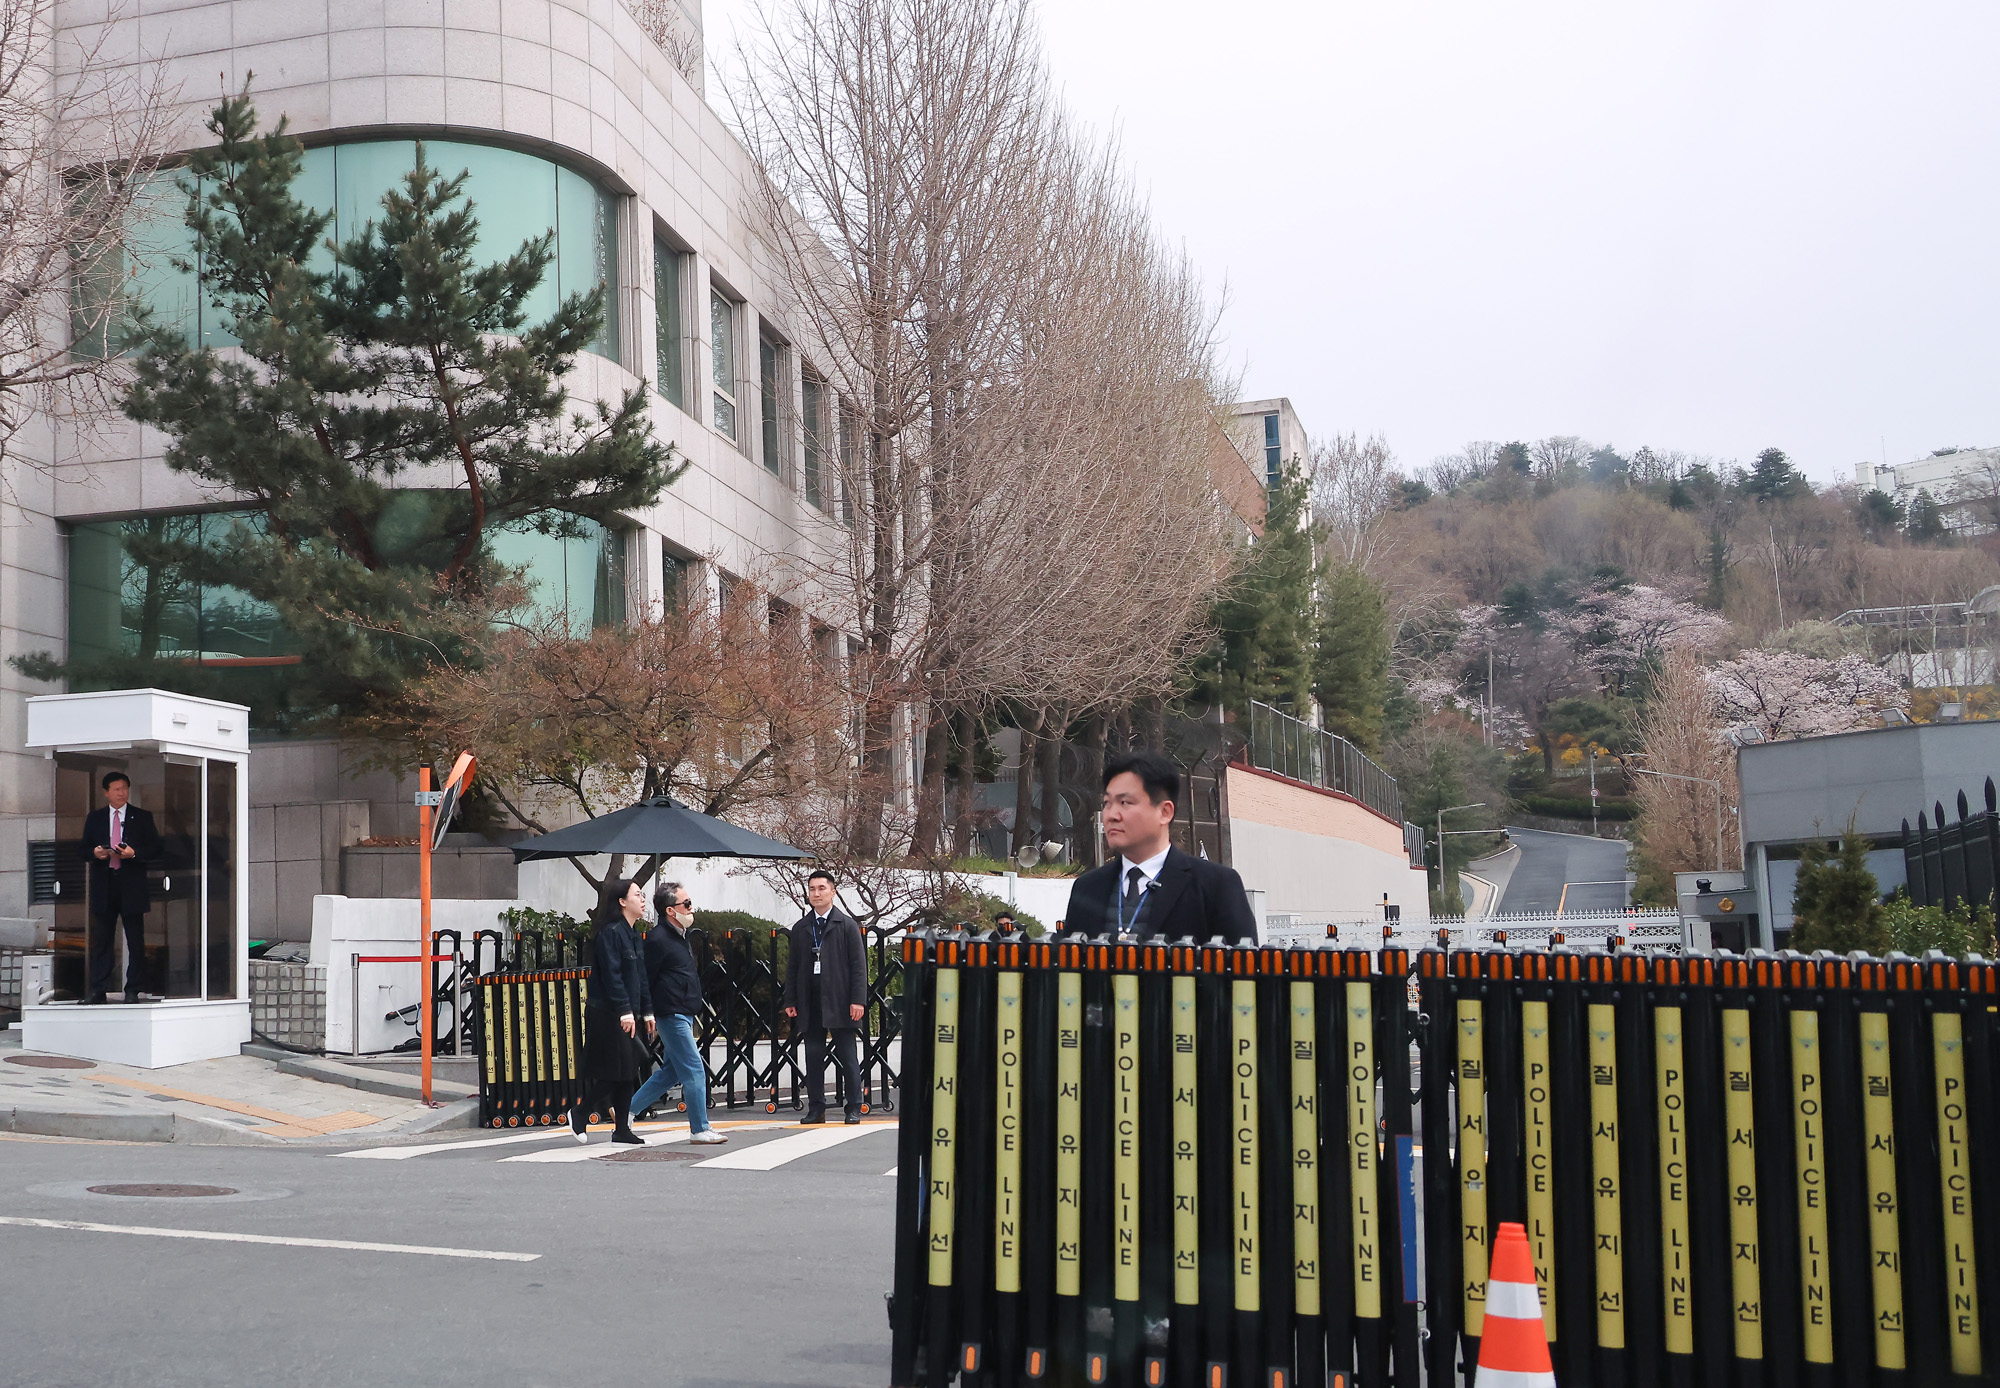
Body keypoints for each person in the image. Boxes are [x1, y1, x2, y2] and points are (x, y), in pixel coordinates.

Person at [1061, 750, 1258, 944]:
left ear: (1165, 812)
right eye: (1107, 803)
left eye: (1125, 802)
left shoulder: (1215, 885)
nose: (1112, 815)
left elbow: (1244, 968)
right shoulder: (1087, 888)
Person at [628, 882, 726, 1145]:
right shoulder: (660, 939)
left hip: (683, 1010)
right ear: (671, 910)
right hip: (670, 1013)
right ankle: (699, 1128)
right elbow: (645, 978)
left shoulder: (681, 935)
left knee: (671, 1071)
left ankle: (627, 1111)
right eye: (687, 904)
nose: (691, 908)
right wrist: (647, 1012)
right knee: (694, 1068)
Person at [572, 877, 654, 1145]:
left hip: (628, 1013)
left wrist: (647, 1012)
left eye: (642, 896)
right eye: (637, 895)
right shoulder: (610, 933)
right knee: (615, 1071)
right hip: (608, 1013)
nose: (642, 900)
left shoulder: (633, 934)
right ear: (622, 902)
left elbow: (641, 977)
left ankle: (621, 1129)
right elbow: (612, 975)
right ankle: (581, 1111)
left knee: (628, 1070)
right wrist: (625, 1011)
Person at [783, 868, 867, 1125]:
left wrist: (858, 1000)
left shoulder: (847, 925)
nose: (816, 893)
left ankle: (854, 1106)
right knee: (813, 1055)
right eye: (812, 889)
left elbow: (858, 966)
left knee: (848, 1055)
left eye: (822, 888)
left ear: (833, 891)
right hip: (811, 999)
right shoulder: (801, 927)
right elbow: (793, 966)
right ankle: (816, 1107)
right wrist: (791, 1000)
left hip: (841, 999)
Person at [79, 770, 163, 1004]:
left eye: (124, 788)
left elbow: (156, 848)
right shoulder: (95, 818)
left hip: (131, 886)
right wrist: (95, 853)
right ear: (106, 792)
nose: (121, 793)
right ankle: (98, 990)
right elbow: (82, 850)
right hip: (104, 885)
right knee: (103, 939)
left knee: (135, 940)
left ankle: (133, 989)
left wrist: (133, 853)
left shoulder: (142, 816)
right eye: (116, 789)